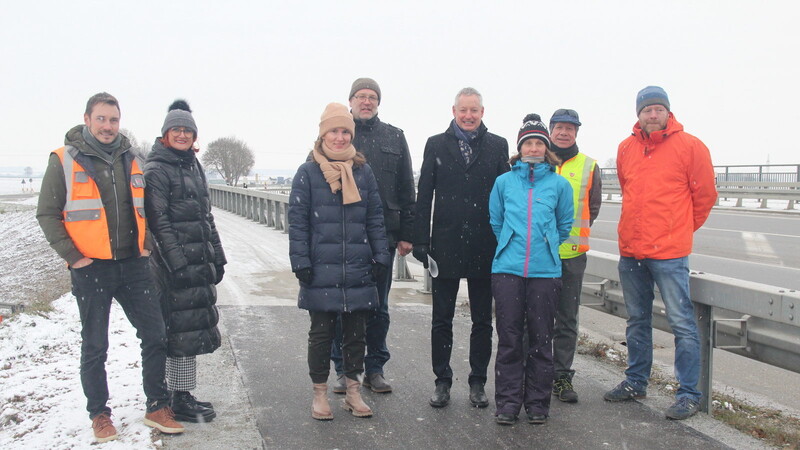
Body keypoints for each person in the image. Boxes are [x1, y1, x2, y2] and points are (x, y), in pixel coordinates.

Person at [36, 92, 184, 443]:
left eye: (113, 120)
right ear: (87, 119)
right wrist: (74, 258)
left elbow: (145, 206)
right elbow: (47, 213)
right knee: (95, 345)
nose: (107, 126)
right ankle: (100, 414)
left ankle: (157, 406)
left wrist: (146, 246)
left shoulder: (132, 158)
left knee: (155, 334)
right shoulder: (63, 160)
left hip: (133, 265)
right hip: (92, 268)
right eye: (101, 119)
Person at [603, 86, 717, 420]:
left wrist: (678, 230)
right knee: (637, 320)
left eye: (658, 109)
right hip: (632, 251)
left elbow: (705, 196)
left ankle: (689, 393)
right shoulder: (626, 148)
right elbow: (628, 190)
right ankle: (636, 381)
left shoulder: (691, 146)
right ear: (638, 114)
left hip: (669, 253)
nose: (653, 115)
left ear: (668, 112)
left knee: (682, 323)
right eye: (647, 110)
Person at [288, 102, 391, 420]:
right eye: (334, 130)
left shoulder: (363, 171)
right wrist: (301, 261)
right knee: (320, 334)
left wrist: (380, 255)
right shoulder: (307, 173)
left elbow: (374, 217)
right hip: (321, 267)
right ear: (323, 134)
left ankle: (353, 392)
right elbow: (298, 222)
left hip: (358, 266)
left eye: (345, 131)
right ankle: (320, 394)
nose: (340, 137)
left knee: (355, 335)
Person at [413, 87, 510, 408]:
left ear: (483, 112)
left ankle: (477, 382)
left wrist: (507, 240)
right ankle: (442, 381)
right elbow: (424, 194)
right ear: (453, 111)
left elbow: (505, 198)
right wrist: (420, 240)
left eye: (475, 110)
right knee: (442, 318)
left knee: (483, 320)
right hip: (445, 245)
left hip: (486, 245)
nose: (469, 116)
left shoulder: (497, 145)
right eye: (463, 110)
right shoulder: (436, 144)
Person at [330, 78, 416, 395]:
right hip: (343, 235)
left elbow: (408, 188)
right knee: (343, 306)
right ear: (350, 100)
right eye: (360, 96)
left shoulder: (394, 136)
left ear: (378, 102)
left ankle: (375, 369)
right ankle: (343, 369)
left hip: (385, 236)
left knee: (378, 307)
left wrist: (408, 234)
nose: (366, 102)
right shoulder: (338, 135)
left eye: (372, 97)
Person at [144, 100, 227, 423]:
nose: (182, 135)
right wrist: (177, 264)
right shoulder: (157, 169)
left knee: (188, 330)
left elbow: (206, 216)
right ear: (165, 134)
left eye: (187, 130)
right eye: (176, 130)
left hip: (197, 262)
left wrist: (217, 257)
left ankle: (181, 393)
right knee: (177, 331)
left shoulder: (192, 164)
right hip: (173, 267)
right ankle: (176, 397)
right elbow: (158, 221)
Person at [490, 114, 573, 425]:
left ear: (546, 148)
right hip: (508, 271)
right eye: (529, 143)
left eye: (540, 143)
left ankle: (537, 404)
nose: (534, 148)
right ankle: (508, 404)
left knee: (541, 340)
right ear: (520, 148)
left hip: (545, 273)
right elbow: (496, 221)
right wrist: (511, 243)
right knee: (509, 339)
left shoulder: (559, 184)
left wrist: (547, 244)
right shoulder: (503, 182)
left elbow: (564, 224)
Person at [548, 109, 602, 403]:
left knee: (567, 319)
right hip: (539, 255)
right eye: (559, 127)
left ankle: (561, 378)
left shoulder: (589, 166)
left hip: (572, 256)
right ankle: (534, 373)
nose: (564, 133)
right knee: (535, 318)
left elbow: (592, 209)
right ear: (551, 129)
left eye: (570, 128)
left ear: (576, 132)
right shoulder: (539, 158)